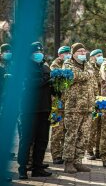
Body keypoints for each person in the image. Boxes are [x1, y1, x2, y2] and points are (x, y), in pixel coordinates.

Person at [18, 42, 53, 179]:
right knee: (26, 140)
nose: (38, 54)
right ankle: (23, 168)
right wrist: (48, 79)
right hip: (29, 110)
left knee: (42, 140)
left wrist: (58, 85)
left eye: (40, 51)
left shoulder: (45, 67)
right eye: (35, 52)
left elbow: (50, 87)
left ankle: (37, 167)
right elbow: (30, 84)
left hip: (44, 108)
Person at [62, 43, 94, 174]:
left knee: (84, 135)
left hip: (88, 106)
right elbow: (74, 76)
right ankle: (68, 162)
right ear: (73, 53)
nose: (82, 53)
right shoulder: (67, 64)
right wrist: (88, 73)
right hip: (74, 106)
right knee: (71, 135)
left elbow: (91, 80)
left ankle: (78, 161)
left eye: (84, 51)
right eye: (79, 51)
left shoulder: (87, 64)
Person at [50, 46, 71, 165]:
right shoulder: (54, 66)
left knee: (65, 130)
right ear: (60, 55)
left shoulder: (68, 65)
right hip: (56, 104)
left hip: (67, 104)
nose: (68, 55)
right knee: (57, 130)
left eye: (69, 53)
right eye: (66, 53)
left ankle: (63, 153)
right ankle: (56, 155)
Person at [87, 49, 104, 160]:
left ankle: (98, 150)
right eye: (98, 55)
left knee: (101, 127)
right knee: (92, 128)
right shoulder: (89, 68)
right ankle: (89, 150)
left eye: (102, 55)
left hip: (103, 101)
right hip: (92, 101)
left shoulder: (102, 67)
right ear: (92, 57)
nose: (100, 57)